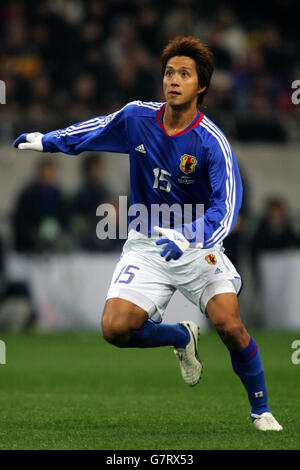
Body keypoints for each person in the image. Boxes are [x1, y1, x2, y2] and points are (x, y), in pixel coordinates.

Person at [13, 36, 282, 431]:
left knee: (229, 324)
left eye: (184, 74)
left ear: (200, 86)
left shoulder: (212, 143)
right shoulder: (137, 117)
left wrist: (188, 234)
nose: (174, 80)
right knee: (115, 329)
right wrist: (49, 141)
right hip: (146, 244)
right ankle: (179, 335)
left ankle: (261, 410)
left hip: (197, 248)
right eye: (169, 72)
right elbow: (96, 129)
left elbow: (226, 211)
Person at [12, 158, 67, 253]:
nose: (50, 174)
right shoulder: (29, 193)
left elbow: (63, 216)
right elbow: (20, 219)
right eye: (48, 170)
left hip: (52, 241)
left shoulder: (56, 193)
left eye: (52, 171)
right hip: (29, 245)